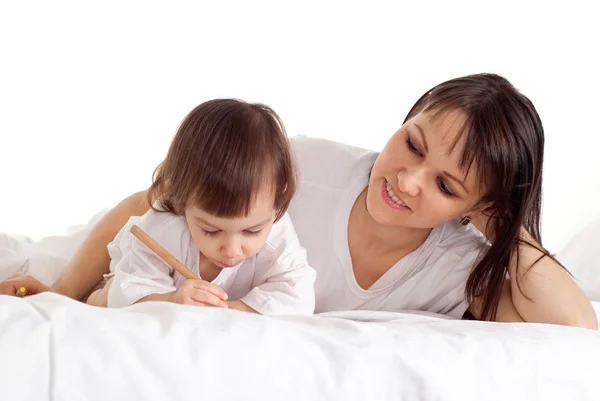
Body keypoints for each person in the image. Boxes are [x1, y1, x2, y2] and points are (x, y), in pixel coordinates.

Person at [2, 74, 596, 328]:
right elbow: (153, 205)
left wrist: (505, 223)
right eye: (411, 143)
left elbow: (575, 328)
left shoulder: (461, 263)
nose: (408, 180)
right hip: (142, 259)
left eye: (446, 185)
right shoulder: (303, 166)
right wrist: (67, 291)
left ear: (479, 207)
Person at [79, 99, 315, 314]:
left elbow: (298, 294)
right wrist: (171, 299)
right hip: (131, 265)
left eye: (252, 231)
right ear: (181, 202)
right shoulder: (162, 229)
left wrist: (232, 309)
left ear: (277, 204)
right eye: (211, 230)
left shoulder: (277, 232)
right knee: (107, 298)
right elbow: (131, 290)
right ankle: (95, 293)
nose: (231, 250)